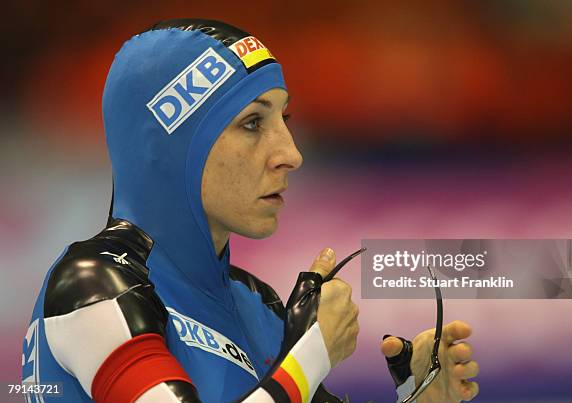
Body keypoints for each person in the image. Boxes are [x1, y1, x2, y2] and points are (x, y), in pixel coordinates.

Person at [21, 19, 479, 402]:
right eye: (253, 122)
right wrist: (312, 353)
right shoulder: (91, 286)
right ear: (170, 149)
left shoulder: (256, 303)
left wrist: (415, 394)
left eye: (286, 119)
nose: (291, 153)